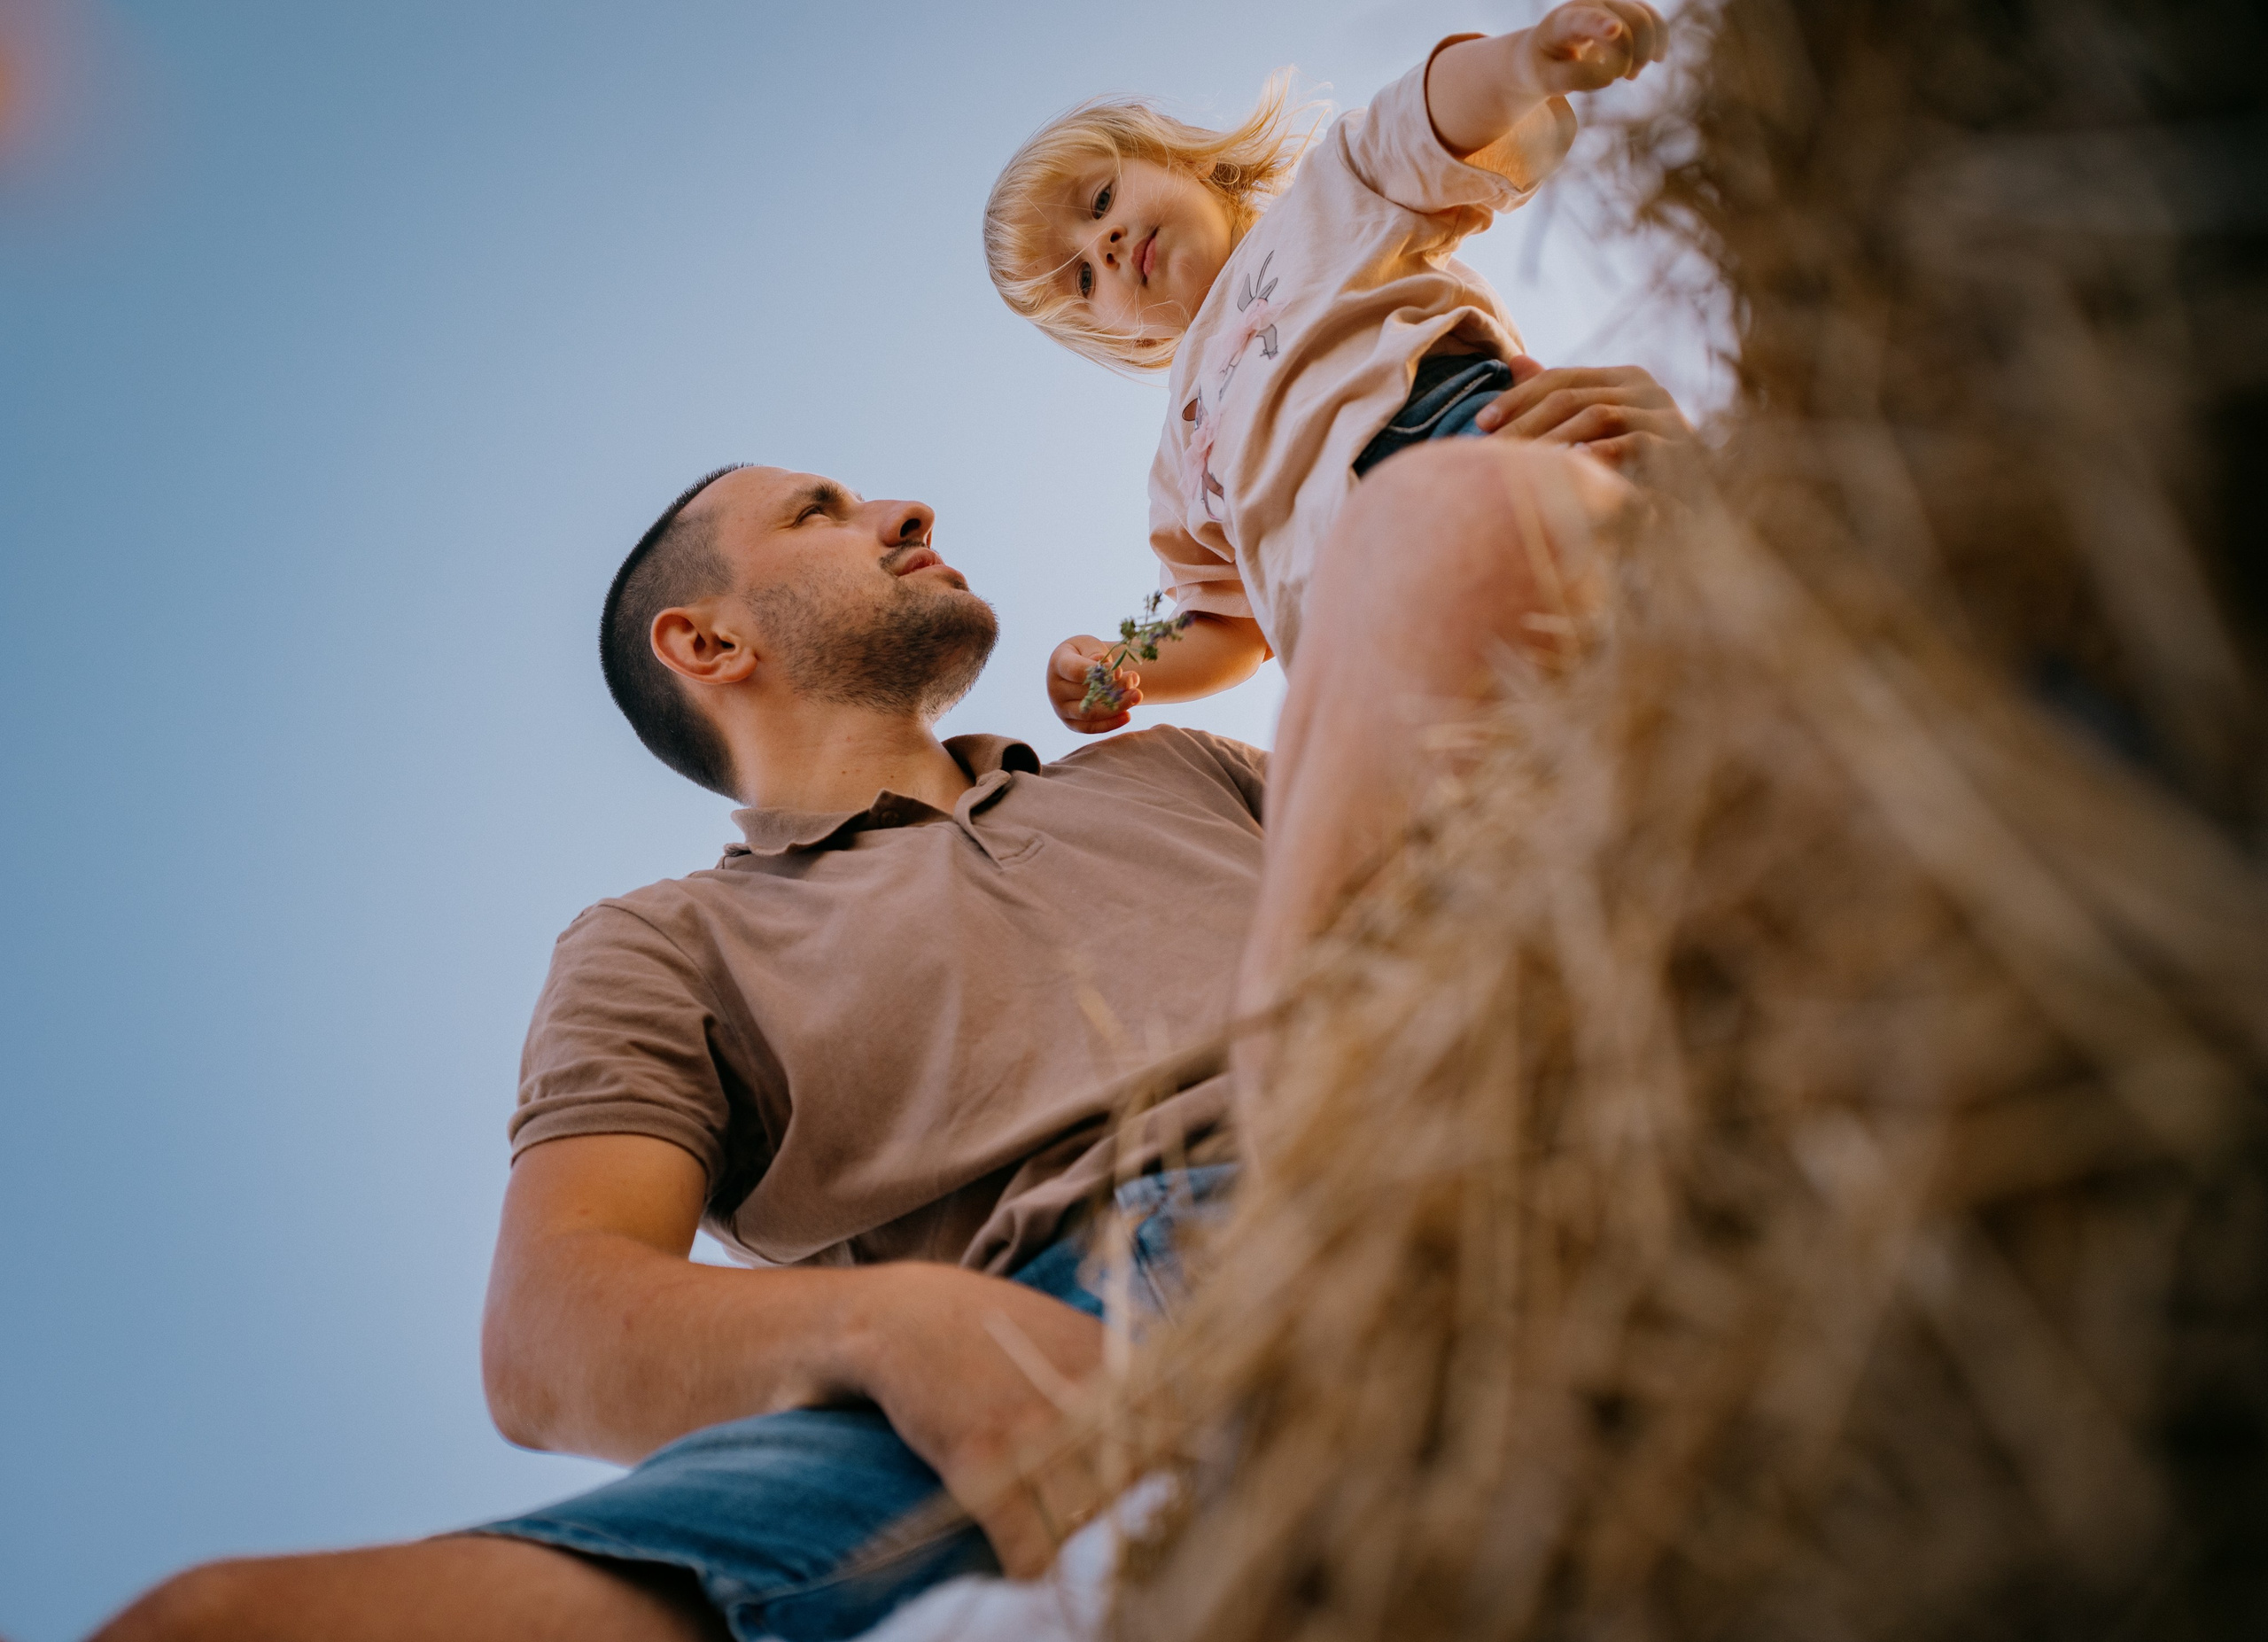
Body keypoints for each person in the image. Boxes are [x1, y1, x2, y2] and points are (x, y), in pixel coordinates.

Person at [92, 362, 1695, 1642]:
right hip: (1034, 1353)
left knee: (1447, 518)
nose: (905, 506)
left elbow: (1570, 864)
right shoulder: (669, 941)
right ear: (706, 636)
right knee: (214, 1625)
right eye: (827, 510)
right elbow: (549, 1334)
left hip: (1376, 1132)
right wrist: (889, 1321)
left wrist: (1677, 514)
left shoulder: (1173, 763)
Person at [981, 3, 1667, 732]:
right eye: (1084, 280)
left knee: (1642, 617)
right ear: (1111, 335)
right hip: (1367, 642)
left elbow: (1424, 120)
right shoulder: (1180, 455)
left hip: (1455, 443)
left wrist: (1523, 63)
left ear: (1182, 162)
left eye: (1100, 199)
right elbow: (1227, 625)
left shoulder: (1327, 199)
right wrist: (1127, 663)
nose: (1106, 245)